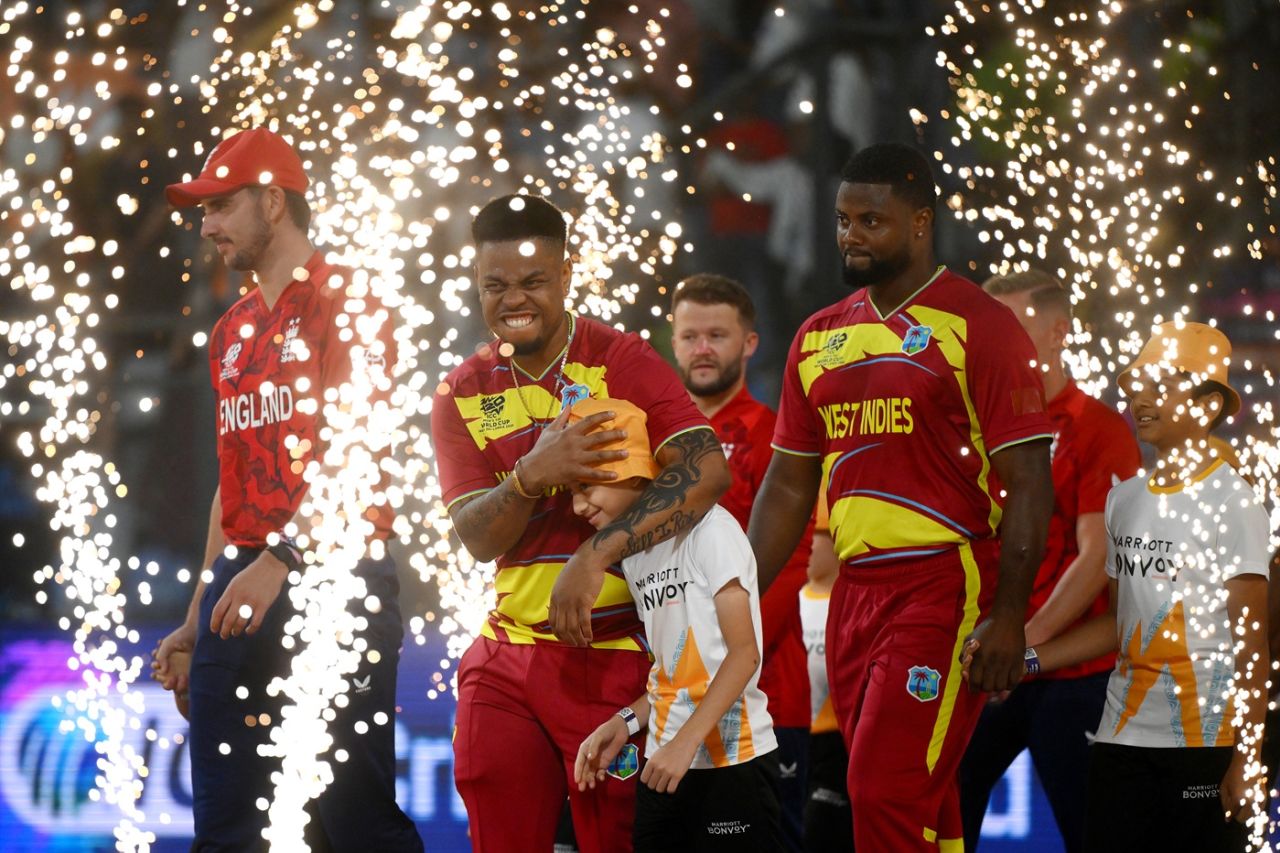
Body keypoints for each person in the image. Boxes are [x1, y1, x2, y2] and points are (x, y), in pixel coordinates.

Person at [747, 142, 1054, 851]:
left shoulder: (979, 325)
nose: (851, 234)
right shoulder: (818, 336)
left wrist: (1010, 615)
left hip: (943, 585)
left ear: (921, 222)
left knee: (881, 791)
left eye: (871, 220)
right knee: (918, 796)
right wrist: (734, 593)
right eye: (842, 219)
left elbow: (1030, 479)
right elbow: (789, 482)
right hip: (856, 592)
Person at [429, 193, 730, 852]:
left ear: (567, 275)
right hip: (505, 656)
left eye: (534, 281)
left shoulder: (619, 359)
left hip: (615, 652)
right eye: (495, 286)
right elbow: (477, 537)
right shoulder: (462, 391)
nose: (515, 299)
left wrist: (595, 554)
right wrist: (532, 475)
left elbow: (708, 471)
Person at [152, 128, 422, 851]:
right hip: (241, 587)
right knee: (229, 828)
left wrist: (282, 560)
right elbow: (230, 487)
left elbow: (358, 452)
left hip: (335, 583)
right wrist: (196, 612)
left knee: (352, 824)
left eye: (220, 206)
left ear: (274, 201)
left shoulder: (351, 302)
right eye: (201, 211)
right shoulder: (231, 330)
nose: (205, 226)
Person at [965, 320, 1271, 852]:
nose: (1142, 399)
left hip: (1204, 740)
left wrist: (1248, 758)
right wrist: (1027, 658)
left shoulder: (1233, 502)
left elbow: (1252, 647)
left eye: (1163, 384)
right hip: (1119, 737)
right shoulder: (1124, 500)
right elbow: (1120, 625)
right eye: (1140, 383)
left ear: (1207, 405)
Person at [958, 270, 1140, 852]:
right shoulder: (971, 428)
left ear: (1060, 332)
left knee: (1094, 832)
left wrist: (1019, 645)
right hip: (988, 667)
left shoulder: (1098, 428)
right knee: (938, 822)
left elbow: (1097, 559)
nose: (991, 341)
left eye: (1009, 324)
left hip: (1070, 677)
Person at [570, 397, 783, 852]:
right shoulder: (632, 555)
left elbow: (743, 654)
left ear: (633, 469)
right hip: (663, 764)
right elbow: (675, 673)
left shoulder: (712, 530)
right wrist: (625, 723)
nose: (577, 505)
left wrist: (686, 745)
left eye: (587, 486)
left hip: (733, 762)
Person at [670, 273, 813, 851]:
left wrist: (722, 655)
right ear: (672, 341)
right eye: (690, 336)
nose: (703, 348)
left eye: (718, 335)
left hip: (766, 695)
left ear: (750, 343)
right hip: (668, 696)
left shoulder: (777, 437)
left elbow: (797, 561)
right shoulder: (651, 439)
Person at [798, 487, 853, 852]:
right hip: (799, 731)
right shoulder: (793, 598)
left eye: (818, 538)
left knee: (825, 828)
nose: (810, 548)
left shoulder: (849, 601)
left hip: (838, 736)